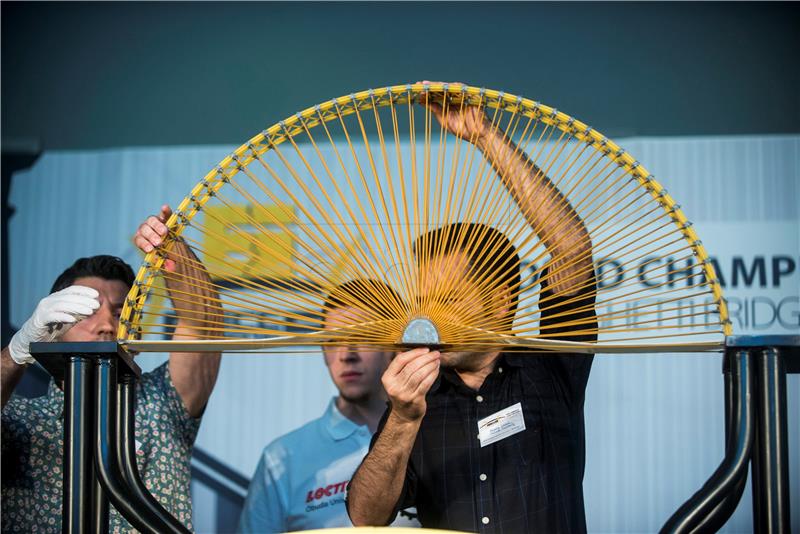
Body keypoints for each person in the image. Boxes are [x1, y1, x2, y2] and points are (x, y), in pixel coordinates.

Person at [347, 87, 598, 533]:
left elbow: (572, 249)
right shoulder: (417, 399)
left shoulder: (553, 366)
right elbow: (367, 517)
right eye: (422, 302)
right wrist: (403, 420)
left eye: (446, 302)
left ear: (501, 301)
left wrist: (483, 135)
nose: (427, 320)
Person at [1, 205, 222, 532]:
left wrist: (171, 246)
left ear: (138, 330)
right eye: (86, 311)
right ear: (52, 325)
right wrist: (18, 350)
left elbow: (203, 325)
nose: (106, 325)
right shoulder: (21, 421)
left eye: (121, 313)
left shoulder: (162, 403)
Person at [237, 279, 418, 533]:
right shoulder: (282, 459)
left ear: (396, 346)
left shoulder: (437, 434)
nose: (346, 353)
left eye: (363, 335)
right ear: (322, 350)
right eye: (333, 340)